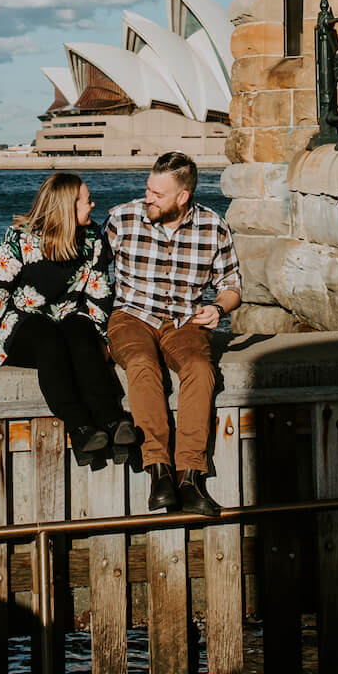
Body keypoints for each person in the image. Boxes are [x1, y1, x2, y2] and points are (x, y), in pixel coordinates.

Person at [105, 152, 242, 517]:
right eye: (148, 189)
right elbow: (90, 270)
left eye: (157, 194)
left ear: (183, 197)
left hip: (185, 321)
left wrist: (218, 308)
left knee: (200, 369)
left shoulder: (214, 226)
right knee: (141, 363)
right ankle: (159, 471)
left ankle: (190, 478)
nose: (148, 198)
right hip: (131, 316)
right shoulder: (122, 218)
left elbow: (231, 285)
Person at [0, 172, 136, 464]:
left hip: (70, 319)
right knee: (48, 340)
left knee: (82, 336)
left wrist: (104, 340)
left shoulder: (92, 238)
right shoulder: (19, 239)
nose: (93, 205)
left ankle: (112, 421)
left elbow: (99, 295)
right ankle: (80, 427)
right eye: (87, 201)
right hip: (24, 325)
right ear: (68, 206)